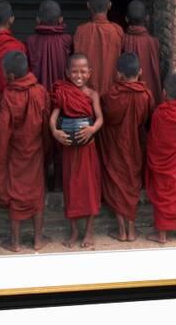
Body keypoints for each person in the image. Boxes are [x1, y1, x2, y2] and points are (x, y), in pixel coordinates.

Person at [0, 51, 51, 252]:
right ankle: (37, 240)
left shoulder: (7, 96)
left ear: (9, 76)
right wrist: (47, 148)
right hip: (35, 149)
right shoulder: (40, 92)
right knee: (37, 194)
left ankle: (15, 243)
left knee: (16, 194)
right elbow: (46, 122)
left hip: (15, 152)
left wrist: (0, 156)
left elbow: (3, 130)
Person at [50, 53, 103, 248]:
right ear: (67, 72)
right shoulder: (63, 92)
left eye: (82, 71)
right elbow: (53, 117)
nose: (78, 75)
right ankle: (73, 232)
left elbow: (100, 119)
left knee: (89, 189)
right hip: (69, 151)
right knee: (71, 190)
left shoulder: (92, 94)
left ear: (89, 73)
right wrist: (54, 132)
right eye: (74, 71)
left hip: (87, 149)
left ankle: (89, 232)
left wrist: (92, 129)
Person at [99, 52, 153, 242]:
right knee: (131, 185)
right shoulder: (146, 95)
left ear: (118, 75)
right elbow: (146, 120)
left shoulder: (111, 95)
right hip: (135, 145)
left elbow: (104, 119)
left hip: (114, 145)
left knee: (116, 183)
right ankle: (132, 230)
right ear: (140, 72)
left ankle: (122, 231)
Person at [26, 0, 73, 191]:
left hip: (39, 100)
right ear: (61, 20)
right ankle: (61, 185)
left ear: (37, 19)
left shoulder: (30, 41)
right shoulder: (67, 40)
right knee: (64, 145)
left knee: (41, 143)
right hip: (64, 100)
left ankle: (43, 186)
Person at [146, 73, 176, 244]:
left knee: (162, 193)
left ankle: (162, 234)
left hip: (161, 163)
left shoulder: (159, 114)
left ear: (164, 92)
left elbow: (154, 139)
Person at [73, 0, 124, 95]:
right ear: (109, 5)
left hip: (85, 95)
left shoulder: (80, 31)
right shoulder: (118, 31)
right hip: (111, 96)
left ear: (88, 5)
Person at [122, 0, 163, 106]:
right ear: (147, 18)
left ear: (126, 19)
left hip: (125, 99)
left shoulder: (122, 40)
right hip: (149, 98)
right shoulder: (154, 43)